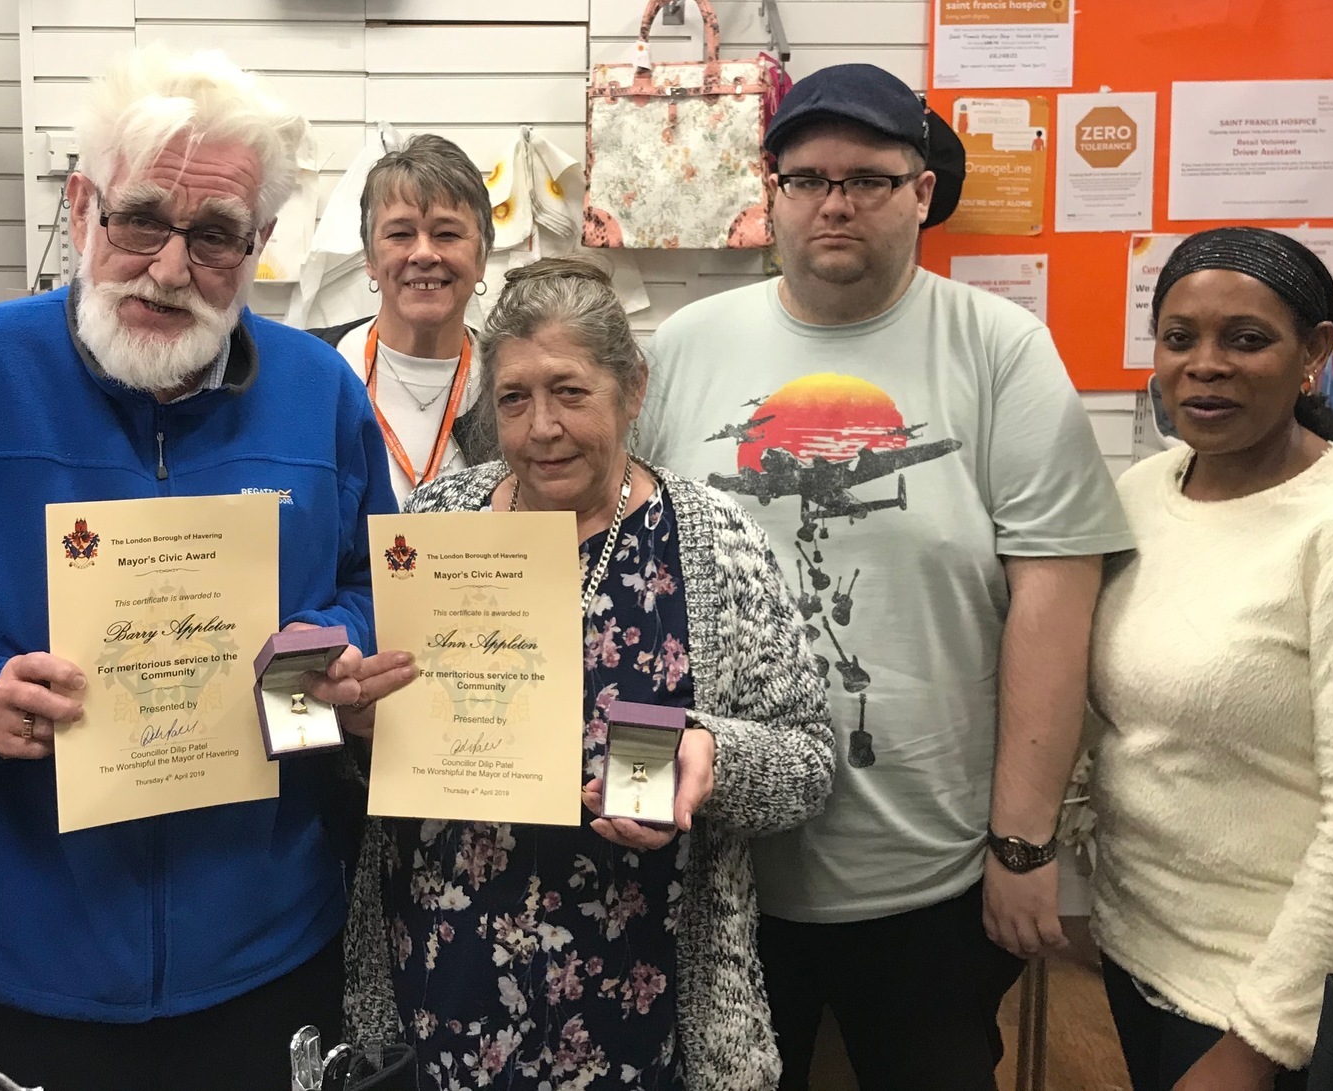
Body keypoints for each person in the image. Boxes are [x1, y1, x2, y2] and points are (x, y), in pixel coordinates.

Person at [0, 47, 402, 1090]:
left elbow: (378, 579)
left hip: (267, 941)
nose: (168, 266)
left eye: (214, 234)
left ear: (259, 245)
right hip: (31, 944)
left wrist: (340, 643)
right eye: (139, 217)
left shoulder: (319, 390)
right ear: (80, 206)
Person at [635, 64, 1135, 1091]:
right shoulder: (679, 350)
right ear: (768, 190)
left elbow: (1053, 594)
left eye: (866, 176)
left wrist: (1025, 843)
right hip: (710, 867)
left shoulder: (1000, 350)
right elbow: (623, 581)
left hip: (933, 874)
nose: (832, 201)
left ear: (921, 190)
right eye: (805, 176)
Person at [341, 258, 836, 1089]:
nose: (541, 427)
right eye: (514, 398)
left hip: (641, 1000)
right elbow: (382, 741)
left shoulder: (713, 540)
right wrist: (364, 727)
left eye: (570, 392)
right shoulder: (433, 526)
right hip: (445, 984)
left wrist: (714, 756)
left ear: (632, 389)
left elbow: (810, 760)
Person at [1086, 227, 1333, 1091]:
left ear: (1314, 352)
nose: (1204, 364)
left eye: (1246, 339)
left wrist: (1262, 1040)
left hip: (1286, 997)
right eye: (1180, 338)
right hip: (1144, 954)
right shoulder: (1145, 490)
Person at [308, 133, 496, 502]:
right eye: (400, 234)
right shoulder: (312, 369)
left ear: (482, 257)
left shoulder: (511, 381)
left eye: (447, 234)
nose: (424, 253)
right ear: (369, 258)